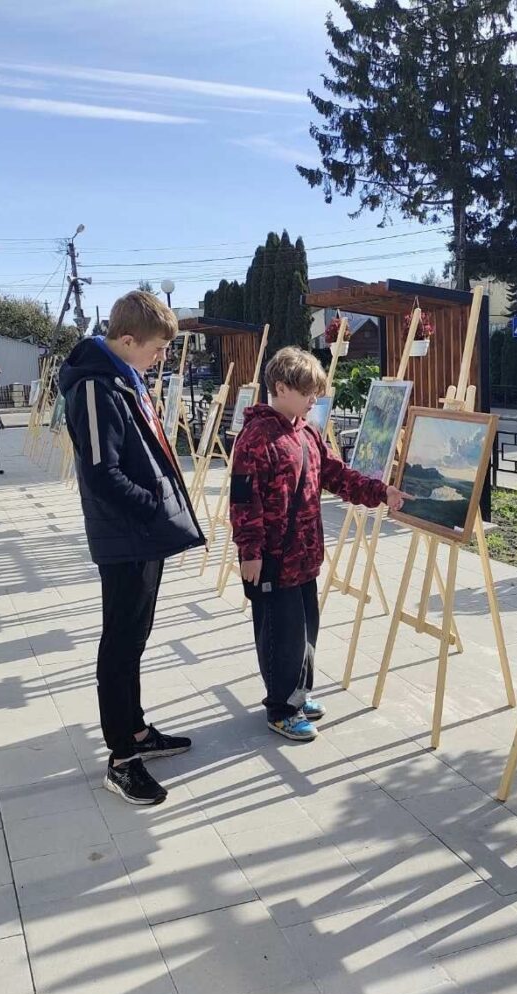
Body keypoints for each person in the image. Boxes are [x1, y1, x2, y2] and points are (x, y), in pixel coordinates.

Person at [59, 291, 204, 805]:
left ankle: (137, 730)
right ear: (126, 341)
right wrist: (151, 506)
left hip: (141, 534)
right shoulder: (97, 389)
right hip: (126, 537)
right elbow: (102, 472)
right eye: (157, 350)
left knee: (134, 640)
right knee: (119, 646)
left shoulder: (121, 379)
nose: (161, 359)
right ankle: (121, 757)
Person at [232, 347, 405, 743]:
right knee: (281, 635)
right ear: (280, 388)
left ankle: (298, 693)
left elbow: (336, 474)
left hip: (305, 556)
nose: (315, 401)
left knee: (306, 629)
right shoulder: (256, 437)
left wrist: (381, 491)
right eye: (308, 393)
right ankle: (281, 708)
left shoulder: (306, 431)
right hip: (273, 560)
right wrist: (250, 552)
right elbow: (244, 500)